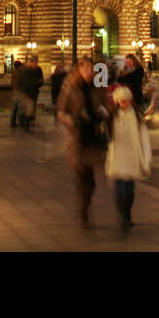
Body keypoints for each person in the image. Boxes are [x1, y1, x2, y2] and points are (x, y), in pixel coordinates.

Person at [58, 57, 109, 227]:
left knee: (91, 179)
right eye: (85, 69)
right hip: (78, 135)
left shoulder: (97, 85)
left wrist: (104, 113)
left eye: (91, 69)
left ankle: (85, 204)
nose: (88, 72)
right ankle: (84, 211)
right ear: (79, 69)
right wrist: (72, 121)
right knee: (83, 174)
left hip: (93, 134)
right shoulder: (70, 86)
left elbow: (105, 104)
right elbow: (61, 111)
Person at [105, 85, 151, 230]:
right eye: (122, 101)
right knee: (120, 190)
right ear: (117, 101)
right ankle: (123, 217)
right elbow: (106, 136)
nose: (125, 103)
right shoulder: (112, 117)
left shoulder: (136, 116)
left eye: (127, 100)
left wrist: (146, 158)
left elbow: (144, 138)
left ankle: (127, 213)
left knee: (129, 191)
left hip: (132, 156)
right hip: (117, 155)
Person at [15, 54, 45, 131]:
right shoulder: (25, 70)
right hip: (25, 92)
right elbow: (21, 81)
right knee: (26, 108)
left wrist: (38, 83)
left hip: (33, 91)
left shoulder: (38, 70)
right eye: (34, 62)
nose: (36, 63)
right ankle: (24, 124)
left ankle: (27, 124)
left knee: (31, 109)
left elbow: (41, 80)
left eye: (36, 62)